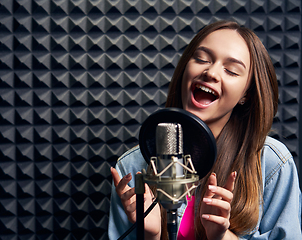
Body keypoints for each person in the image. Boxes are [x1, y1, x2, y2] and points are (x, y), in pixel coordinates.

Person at [108, 20, 302, 240]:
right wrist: (151, 235)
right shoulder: (133, 167)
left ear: (245, 95)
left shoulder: (272, 163)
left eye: (231, 70)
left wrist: (222, 237)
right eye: (201, 59)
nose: (211, 72)